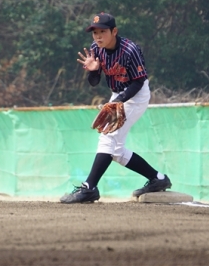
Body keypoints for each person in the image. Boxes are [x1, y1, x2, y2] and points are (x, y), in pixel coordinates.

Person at [60, 12, 171, 203]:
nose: (98, 36)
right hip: (117, 95)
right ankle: (158, 178)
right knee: (116, 151)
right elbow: (94, 82)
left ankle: (89, 187)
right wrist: (94, 71)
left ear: (114, 31)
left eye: (102, 32)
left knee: (108, 138)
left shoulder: (130, 50)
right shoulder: (96, 49)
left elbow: (138, 82)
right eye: (95, 32)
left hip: (136, 95)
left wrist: (119, 100)